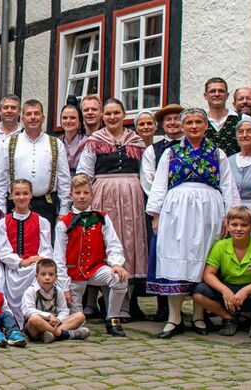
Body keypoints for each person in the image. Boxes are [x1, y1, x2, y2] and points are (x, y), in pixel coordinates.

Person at [146, 107, 240, 338]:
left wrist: (230, 217)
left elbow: (228, 186)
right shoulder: (171, 152)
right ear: (183, 126)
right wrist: (156, 215)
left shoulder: (217, 153)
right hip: (176, 212)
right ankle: (174, 318)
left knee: (204, 259)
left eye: (199, 122)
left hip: (209, 210)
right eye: (189, 122)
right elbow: (159, 185)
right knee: (176, 258)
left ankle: (199, 316)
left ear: (206, 126)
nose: (194, 126)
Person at [76, 98, 147, 319]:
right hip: (103, 196)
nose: (112, 117)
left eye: (116, 113)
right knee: (102, 243)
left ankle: (125, 303)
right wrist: (84, 202)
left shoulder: (136, 141)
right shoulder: (94, 141)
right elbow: (84, 173)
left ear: (124, 114)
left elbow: (145, 173)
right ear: (102, 116)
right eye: (108, 113)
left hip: (131, 199)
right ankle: (100, 300)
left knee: (129, 244)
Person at [54, 175, 129, 337]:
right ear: (71, 195)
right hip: (73, 274)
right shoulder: (63, 223)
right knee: (77, 319)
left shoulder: (102, 218)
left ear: (92, 195)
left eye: (86, 193)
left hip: (96, 268)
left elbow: (113, 243)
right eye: (78, 193)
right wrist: (64, 287)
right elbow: (58, 257)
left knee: (120, 278)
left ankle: (112, 318)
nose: (82, 196)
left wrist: (116, 263)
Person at [193, 206, 251, 339]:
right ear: (228, 226)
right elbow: (208, 274)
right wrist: (224, 290)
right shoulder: (220, 246)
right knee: (199, 292)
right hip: (228, 289)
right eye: (234, 225)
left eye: (244, 225)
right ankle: (228, 319)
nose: (238, 229)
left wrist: (246, 291)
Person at [142, 103, 183, 323]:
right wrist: (166, 204)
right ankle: (163, 307)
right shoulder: (153, 151)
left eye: (177, 118)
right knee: (161, 255)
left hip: (186, 210)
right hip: (163, 210)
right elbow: (148, 180)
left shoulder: (193, 147)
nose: (173, 122)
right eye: (168, 119)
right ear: (162, 125)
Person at [0, 178, 53, 318]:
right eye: (17, 193)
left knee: (38, 275)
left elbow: (46, 248)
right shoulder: (3, 222)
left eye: (25, 193)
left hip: (35, 267)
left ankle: (36, 320)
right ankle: (16, 321)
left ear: (31, 195)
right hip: (13, 268)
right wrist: (21, 262)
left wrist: (39, 259)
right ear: (11, 195)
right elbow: (3, 251)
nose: (21, 197)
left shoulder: (42, 222)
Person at [5, 100, 71, 223]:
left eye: (36, 113)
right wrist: (1, 209)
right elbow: (1, 178)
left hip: (46, 205)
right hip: (16, 204)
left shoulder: (56, 144)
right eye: (29, 114)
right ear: (22, 119)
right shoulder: (9, 143)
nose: (33, 117)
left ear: (43, 118)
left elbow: (64, 180)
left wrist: (64, 210)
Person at [23, 258, 89, 342]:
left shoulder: (59, 291)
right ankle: (66, 334)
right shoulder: (31, 291)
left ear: (56, 277)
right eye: (43, 274)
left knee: (80, 316)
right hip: (36, 327)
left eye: (51, 274)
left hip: (54, 323)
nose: (47, 277)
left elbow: (64, 310)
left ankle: (50, 335)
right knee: (34, 319)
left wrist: (59, 319)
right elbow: (28, 311)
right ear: (37, 277)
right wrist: (48, 316)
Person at [229, 116, 251, 212]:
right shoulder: (229, 161)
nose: (244, 135)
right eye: (240, 132)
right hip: (234, 212)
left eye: (249, 131)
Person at [203, 78, 241, 155]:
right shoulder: (200, 121)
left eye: (221, 91)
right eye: (212, 91)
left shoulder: (242, 120)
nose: (217, 94)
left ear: (227, 95)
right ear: (205, 96)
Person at [59, 102, 89, 173]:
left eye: (72, 118)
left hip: (81, 178)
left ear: (79, 123)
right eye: (64, 118)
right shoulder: (56, 142)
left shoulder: (87, 143)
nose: (68, 121)